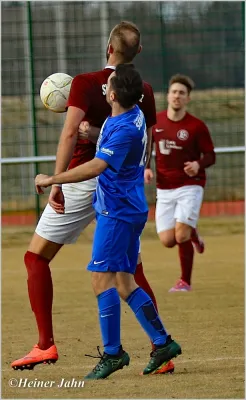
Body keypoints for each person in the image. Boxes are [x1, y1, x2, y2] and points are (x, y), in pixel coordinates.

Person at [11, 21, 174, 375]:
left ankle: (45, 345)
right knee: (131, 270)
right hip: (123, 188)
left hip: (83, 177)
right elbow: (144, 144)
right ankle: (160, 350)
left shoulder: (85, 83)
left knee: (35, 258)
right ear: (138, 53)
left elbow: (70, 133)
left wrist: (55, 182)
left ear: (107, 47)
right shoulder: (143, 89)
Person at [145, 74, 216, 292]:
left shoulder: (196, 126)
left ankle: (185, 281)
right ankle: (193, 233)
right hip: (164, 188)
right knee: (168, 240)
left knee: (180, 234)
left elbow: (210, 155)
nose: (177, 96)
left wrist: (197, 164)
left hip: (190, 185)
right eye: (174, 92)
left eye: (182, 93)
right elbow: (147, 149)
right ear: (167, 96)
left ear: (188, 99)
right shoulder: (156, 122)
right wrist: (146, 168)